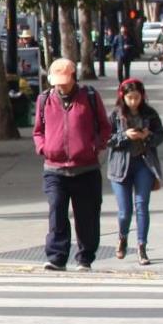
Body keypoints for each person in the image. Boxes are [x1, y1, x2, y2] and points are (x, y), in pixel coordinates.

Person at [31, 56, 111, 271]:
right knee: (56, 211)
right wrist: (43, 148)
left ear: (74, 78)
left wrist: (96, 145)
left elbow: (105, 127)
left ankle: (85, 258)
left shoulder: (90, 97)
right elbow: (38, 131)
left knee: (87, 216)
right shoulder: (44, 100)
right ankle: (57, 257)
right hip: (54, 169)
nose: (61, 86)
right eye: (57, 82)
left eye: (65, 81)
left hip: (86, 168)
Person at [106, 77, 163, 264]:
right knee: (125, 211)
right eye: (129, 98)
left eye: (136, 97)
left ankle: (142, 246)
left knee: (142, 206)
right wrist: (124, 136)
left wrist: (148, 136)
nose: (133, 102)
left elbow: (161, 135)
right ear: (122, 97)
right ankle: (122, 237)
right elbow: (106, 138)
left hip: (143, 164)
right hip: (120, 166)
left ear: (142, 96)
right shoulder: (116, 115)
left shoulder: (150, 114)